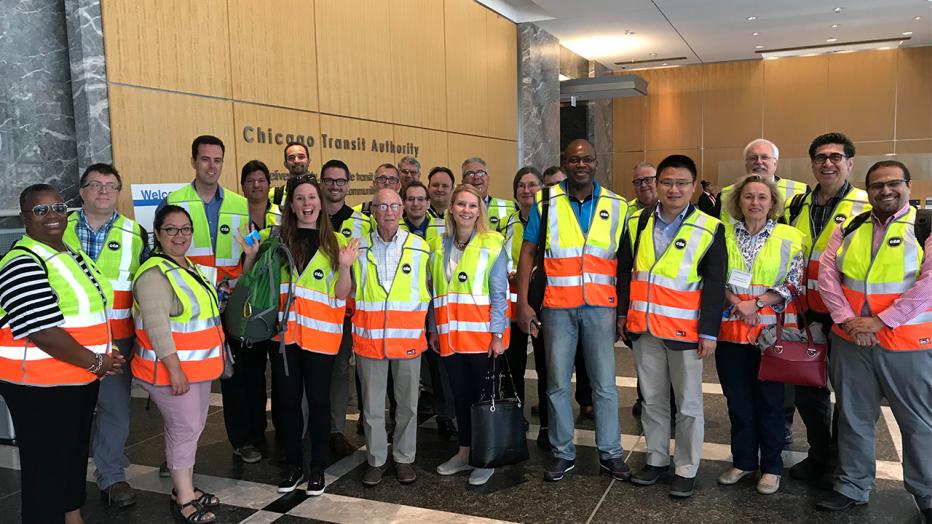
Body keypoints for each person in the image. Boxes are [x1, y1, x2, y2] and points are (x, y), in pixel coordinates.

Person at [815, 160, 932, 521]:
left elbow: (929, 284)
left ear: (908, 186)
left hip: (908, 344)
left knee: (917, 423)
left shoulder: (926, 225)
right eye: (877, 185)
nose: (885, 191)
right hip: (851, 342)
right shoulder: (851, 226)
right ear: (868, 190)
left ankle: (927, 492)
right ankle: (853, 485)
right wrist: (848, 321)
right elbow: (827, 275)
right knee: (853, 417)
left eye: (893, 183)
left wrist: (881, 322)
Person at [0, 184, 123, 524]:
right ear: (25, 217)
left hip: (77, 377)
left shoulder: (70, 252)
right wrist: (98, 361)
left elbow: (89, 310)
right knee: (45, 468)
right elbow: (43, 332)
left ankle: (72, 515)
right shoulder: (22, 261)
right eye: (40, 210)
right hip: (39, 387)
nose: (51, 215)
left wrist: (105, 351)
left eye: (57, 207)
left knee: (71, 456)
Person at [515, 140, 630, 483]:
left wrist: (623, 311)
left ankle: (611, 452)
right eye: (574, 160)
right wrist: (523, 302)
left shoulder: (617, 204)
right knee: (557, 383)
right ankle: (562, 452)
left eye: (587, 159)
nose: (581, 164)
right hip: (557, 307)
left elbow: (623, 264)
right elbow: (528, 252)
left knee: (604, 385)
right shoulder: (546, 200)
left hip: (600, 306)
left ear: (597, 163)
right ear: (565, 164)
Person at [617, 154, 727, 498]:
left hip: (685, 332)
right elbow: (625, 272)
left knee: (689, 404)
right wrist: (623, 314)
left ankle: (686, 467)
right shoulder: (637, 222)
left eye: (681, 183)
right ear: (656, 185)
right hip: (645, 328)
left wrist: (709, 332)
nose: (673, 189)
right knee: (651, 400)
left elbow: (714, 283)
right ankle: (656, 459)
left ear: (693, 187)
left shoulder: (709, 227)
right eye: (666, 182)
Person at [244, 176, 356, 496]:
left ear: (320, 203)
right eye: (300, 199)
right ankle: (294, 467)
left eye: (312, 198)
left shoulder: (336, 242)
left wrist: (346, 267)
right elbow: (256, 284)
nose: (307, 204)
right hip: (285, 340)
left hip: (321, 339)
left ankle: (317, 469)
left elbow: (340, 296)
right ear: (291, 206)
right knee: (288, 405)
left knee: (319, 403)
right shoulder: (276, 240)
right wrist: (251, 256)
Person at [787, 132, 870, 489]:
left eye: (836, 157)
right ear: (812, 164)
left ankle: (841, 460)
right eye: (821, 157)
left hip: (846, 317)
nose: (828, 163)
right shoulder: (798, 205)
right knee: (809, 391)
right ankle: (820, 453)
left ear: (850, 163)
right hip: (805, 315)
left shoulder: (865, 206)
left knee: (849, 396)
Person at [132, 205, 225, 523]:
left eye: (185, 229)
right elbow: (158, 329)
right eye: (171, 229)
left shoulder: (189, 267)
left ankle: (184, 487)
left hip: (197, 369)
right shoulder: (153, 274)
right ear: (157, 233)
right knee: (184, 428)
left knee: (193, 427)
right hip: (171, 372)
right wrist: (174, 370)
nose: (180, 235)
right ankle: (184, 497)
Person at [716, 175, 806, 495]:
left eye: (762, 197)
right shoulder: (722, 234)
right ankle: (743, 462)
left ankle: (771, 468)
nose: (755, 202)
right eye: (749, 196)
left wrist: (754, 303)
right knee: (738, 403)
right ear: (738, 201)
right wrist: (738, 304)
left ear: (773, 203)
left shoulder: (791, 236)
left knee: (770, 404)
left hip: (771, 335)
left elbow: (793, 283)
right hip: (731, 333)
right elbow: (714, 277)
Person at [63, 164, 147, 508]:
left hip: (116, 340)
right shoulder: (56, 227)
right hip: (66, 340)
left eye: (110, 186)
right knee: (69, 412)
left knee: (114, 410)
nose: (102, 191)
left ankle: (112, 477)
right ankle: (63, 478)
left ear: (118, 193)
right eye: (94, 185)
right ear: (81, 191)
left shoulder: (135, 233)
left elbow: (143, 288)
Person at [429, 184, 509, 486]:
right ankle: (464, 452)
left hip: (482, 339)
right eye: (461, 204)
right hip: (450, 338)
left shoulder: (492, 243)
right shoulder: (439, 243)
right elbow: (434, 290)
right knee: (461, 399)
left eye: (472, 206)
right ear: (451, 208)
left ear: (480, 211)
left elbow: (499, 294)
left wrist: (498, 335)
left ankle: (485, 457)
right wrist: (433, 329)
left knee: (483, 400)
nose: (466, 210)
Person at [352, 188, 431, 487]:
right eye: (381, 205)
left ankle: (404, 459)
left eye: (394, 205)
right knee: (372, 406)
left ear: (402, 210)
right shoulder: (358, 248)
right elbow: (349, 291)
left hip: (407, 339)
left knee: (408, 405)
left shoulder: (420, 247)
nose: (388, 211)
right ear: (372, 210)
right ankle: (376, 460)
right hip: (370, 339)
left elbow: (429, 291)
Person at [216, 160, 280, 466]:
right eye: (250, 180)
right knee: (239, 374)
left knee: (264, 373)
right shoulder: (233, 215)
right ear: (242, 185)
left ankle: (262, 428)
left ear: (269, 183)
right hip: (237, 303)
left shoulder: (280, 214)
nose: (256, 185)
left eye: (261, 180)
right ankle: (242, 438)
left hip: (271, 304)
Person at [319, 158, 372, 455]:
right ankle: (311, 427)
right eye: (329, 180)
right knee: (312, 372)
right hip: (312, 311)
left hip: (347, 312)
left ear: (348, 185)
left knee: (340, 370)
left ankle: (336, 430)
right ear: (321, 182)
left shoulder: (362, 223)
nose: (335, 186)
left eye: (340, 181)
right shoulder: (310, 215)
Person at [400, 181, 456, 440]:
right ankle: (399, 417)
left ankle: (445, 415)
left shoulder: (440, 227)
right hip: (404, 307)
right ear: (403, 203)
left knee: (440, 362)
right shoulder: (394, 226)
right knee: (404, 365)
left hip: (433, 303)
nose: (416, 204)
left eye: (421, 199)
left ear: (428, 202)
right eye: (410, 199)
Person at [500, 167, 551, 449]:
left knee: (546, 366)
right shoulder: (507, 222)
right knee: (514, 366)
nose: (527, 190)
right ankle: (514, 419)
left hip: (545, 302)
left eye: (533, 185)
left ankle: (547, 423)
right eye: (521, 185)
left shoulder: (551, 220)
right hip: (514, 303)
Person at [539, 165, 594, 420]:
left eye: (558, 183)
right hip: (556, 302)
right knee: (555, 372)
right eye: (549, 186)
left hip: (592, 302)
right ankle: (557, 435)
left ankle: (586, 400)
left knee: (590, 364)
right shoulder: (544, 209)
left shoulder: (596, 208)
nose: (555, 190)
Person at [160, 135, 249, 287]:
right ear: (193, 162)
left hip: (231, 296)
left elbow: (247, 254)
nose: (212, 166)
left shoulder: (242, 205)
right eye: (205, 159)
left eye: (217, 160)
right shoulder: (172, 202)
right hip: (188, 292)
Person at [626, 161, 659, 417]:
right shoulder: (626, 214)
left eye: (649, 179)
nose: (644, 185)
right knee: (643, 353)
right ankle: (644, 398)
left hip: (669, 300)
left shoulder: (675, 211)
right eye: (638, 181)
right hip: (636, 297)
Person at [716, 138, 809, 223]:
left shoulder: (801, 191)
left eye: (765, 157)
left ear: (775, 163)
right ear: (746, 164)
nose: (759, 162)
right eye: (753, 158)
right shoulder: (726, 194)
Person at [462, 157, 516, 229]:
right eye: (470, 174)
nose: (476, 177)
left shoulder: (510, 207)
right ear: (463, 182)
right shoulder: (455, 210)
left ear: (488, 179)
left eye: (481, 173)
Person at [269, 141, 312, 207]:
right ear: (285, 164)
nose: (296, 161)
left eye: (301, 157)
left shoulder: (321, 193)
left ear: (309, 161)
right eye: (291, 158)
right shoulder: (274, 195)